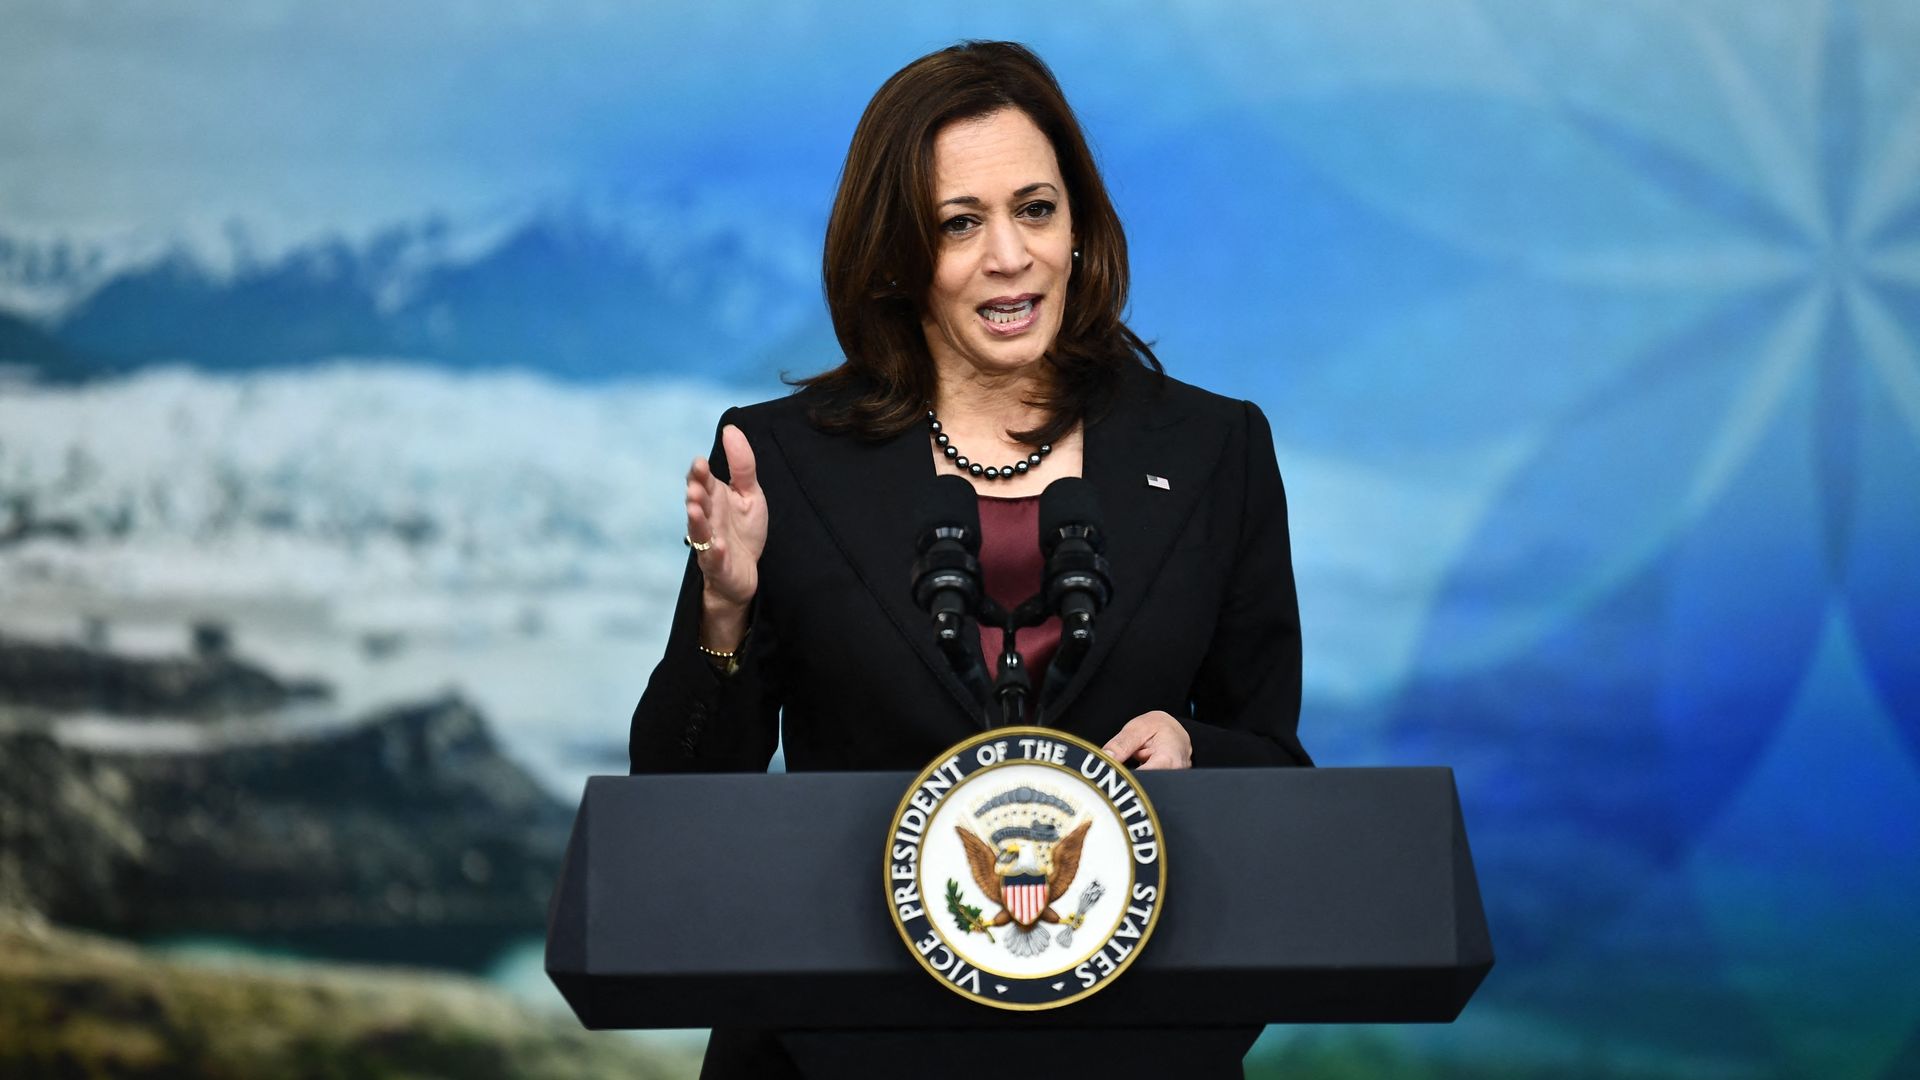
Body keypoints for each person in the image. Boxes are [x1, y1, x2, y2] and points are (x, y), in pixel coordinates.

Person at [627, 40, 1308, 1078]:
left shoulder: (1216, 451)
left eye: (1036, 209)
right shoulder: (786, 462)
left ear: (1078, 226)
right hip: (833, 1051)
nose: (1009, 255)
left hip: (1131, 1044)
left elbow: (1278, 762)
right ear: (898, 254)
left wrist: (1194, 747)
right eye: (960, 223)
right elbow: (679, 807)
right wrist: (724, 612)